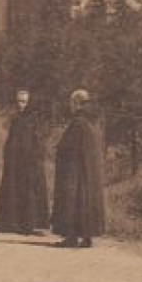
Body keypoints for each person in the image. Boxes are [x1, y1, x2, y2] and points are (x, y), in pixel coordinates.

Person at [50, 89, 106, 248]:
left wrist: (59, 151)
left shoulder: (78, 122)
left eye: (71, 103)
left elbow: (68, 147)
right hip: (92, 172)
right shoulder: (94, 121)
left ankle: (71, 237)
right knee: (87, 202)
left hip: (76, 170)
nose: (70, 106)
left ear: (76, 103)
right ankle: (87, 237)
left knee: (72, 200)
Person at [0, 89, 48, 235]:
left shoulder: (33, 119)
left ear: (29, 103)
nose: (20, 104)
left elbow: (37, 142)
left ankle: (28, 225)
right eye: (18, 101)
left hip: (29, 162)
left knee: (28, 192)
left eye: (23, 101)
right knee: (12, 189)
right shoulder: (16, 118)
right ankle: (11, 222)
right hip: (15, 161)